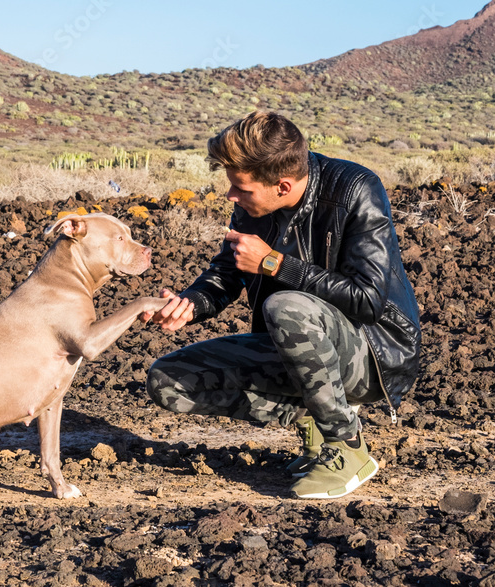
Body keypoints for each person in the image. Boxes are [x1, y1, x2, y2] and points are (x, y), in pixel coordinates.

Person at [143, 111, 421, 499]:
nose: (231, 197)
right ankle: (314, 424)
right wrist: (191, 302)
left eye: (241, 189)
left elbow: (368, 300)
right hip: (301, 346)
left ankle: (348, 447)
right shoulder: (254, 205)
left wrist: (274, 263)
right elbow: (227, 271)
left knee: (285, 306)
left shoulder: (355, 189)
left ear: (282, 185)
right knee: (167, 380)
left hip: (374, 355)